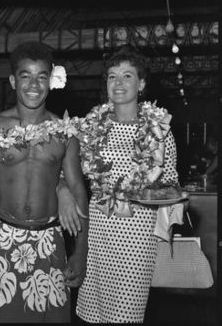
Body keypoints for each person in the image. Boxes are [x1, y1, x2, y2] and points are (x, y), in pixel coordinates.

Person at [59, 45, 185, 323]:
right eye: (112, 76)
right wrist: (63, 188)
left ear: (141, 84)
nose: (118, 83)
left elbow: (172, 183)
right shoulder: (92, 125)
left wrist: (153, 191)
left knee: (126, 313)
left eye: (127, 76)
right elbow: (66, 169)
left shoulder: (159, 128)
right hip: (96, 227)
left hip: (136, 232)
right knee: (92, 313)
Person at [0, 41, 89, 323]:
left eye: (42, 76)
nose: (34, 84)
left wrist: (81, 252)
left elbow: (78, 190)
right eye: (25, 76)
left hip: (50, 240)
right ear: (13, 80)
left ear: (52, 81)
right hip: (4, 238)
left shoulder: (65, 131)